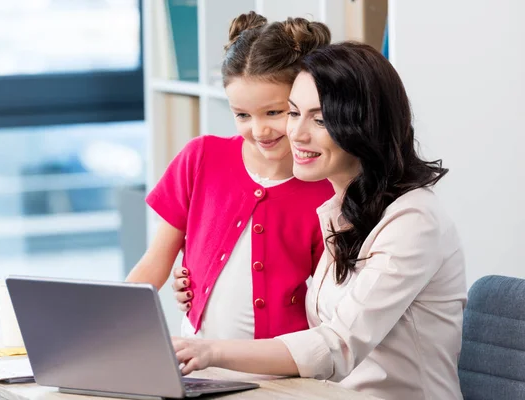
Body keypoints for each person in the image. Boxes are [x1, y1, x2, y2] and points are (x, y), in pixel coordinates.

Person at [171, 42, 467, 400]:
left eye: (321, 119)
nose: (296, 133)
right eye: (294, 113)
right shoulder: (341, 209)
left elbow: (337, 345)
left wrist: (211, 351)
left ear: (363, 127)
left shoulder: (414, 221)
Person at [126, 12, 334, 341]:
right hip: (197, 360)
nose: (259, 129)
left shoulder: (327, 189)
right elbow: (156, 260)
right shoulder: (200, 158)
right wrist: (110, 323)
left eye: (274, 112)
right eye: (242, 115)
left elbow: (329, 297)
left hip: (282, 365)